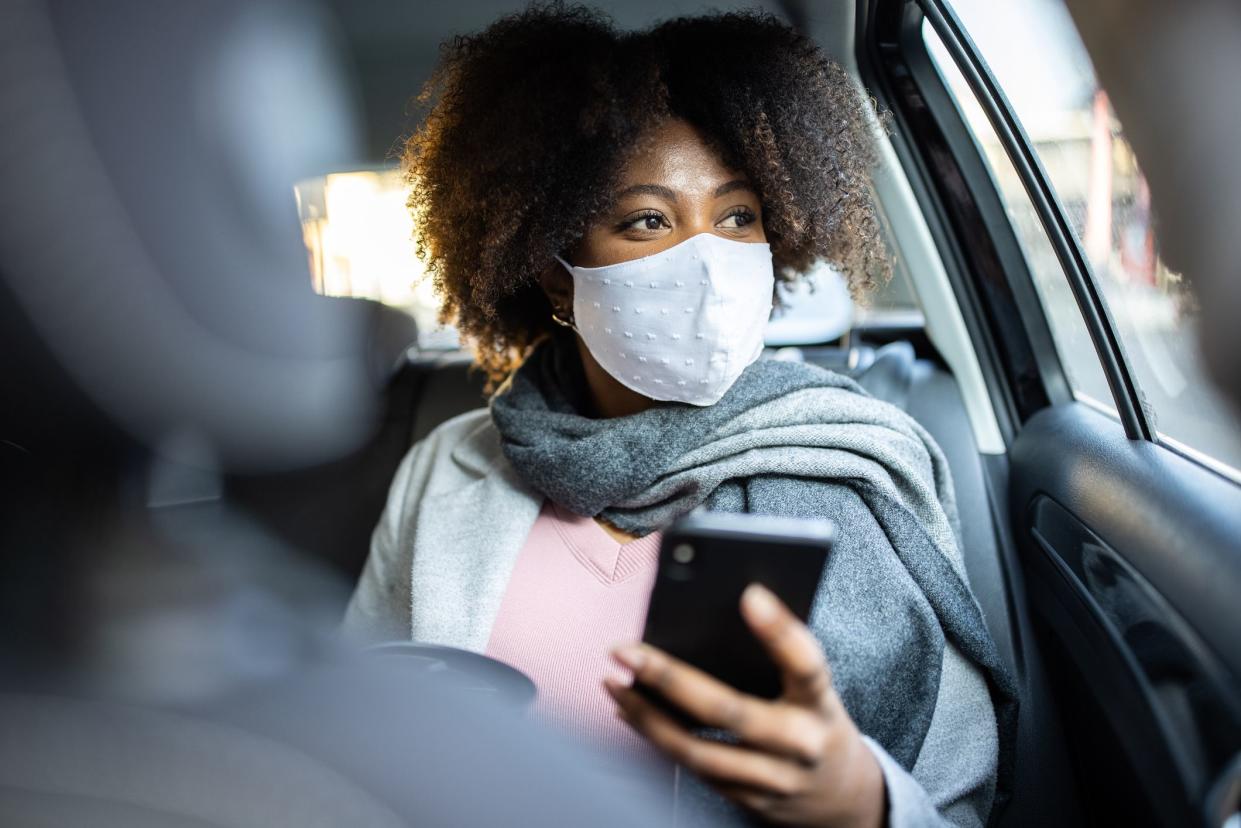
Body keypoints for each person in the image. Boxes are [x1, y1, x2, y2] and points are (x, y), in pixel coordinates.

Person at [344, 6, 1016, 826]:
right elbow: (356, 731)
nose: (707, 258)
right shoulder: (449, 468)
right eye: (648, 220)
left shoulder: (859, 459)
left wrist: (862, 805)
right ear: (554, 273)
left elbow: (957, 803)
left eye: (737, 216)